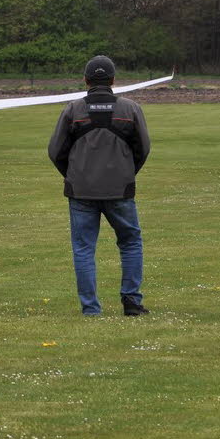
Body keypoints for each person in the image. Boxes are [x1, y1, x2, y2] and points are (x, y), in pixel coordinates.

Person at [48, 55, 151, 316]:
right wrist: (126, 172)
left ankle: (91, 309)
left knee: (83, 248)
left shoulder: (73, 110)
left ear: (86, 80)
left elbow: (55, 151)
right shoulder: (130, 109)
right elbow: (143, 148)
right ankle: (132, 302)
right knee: (130, 242)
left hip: (81, 191)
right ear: (114, 80)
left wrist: (74, 174)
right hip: (120, 190)